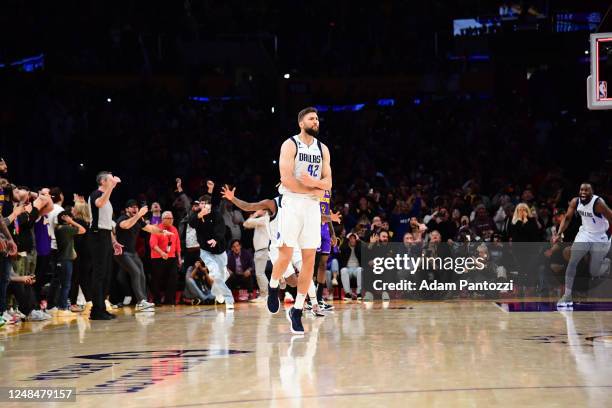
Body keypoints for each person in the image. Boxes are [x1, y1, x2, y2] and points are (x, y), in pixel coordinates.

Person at [220, 185, 335, 316]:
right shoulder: (272, 203)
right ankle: (277, 284)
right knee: (293, 282)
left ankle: (314, 304)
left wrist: (330, 219)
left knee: (305, 272)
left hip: (294, 246)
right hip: (277, 248)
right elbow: (248, 206)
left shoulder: (299, 203)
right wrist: (232, 198)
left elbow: (314, 216)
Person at [272, 106, 332, 334]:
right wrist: (312, 187)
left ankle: (297, 309)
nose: (316, 121)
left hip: (312, 206)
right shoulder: (290, 145)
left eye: (317, 118)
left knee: (310, 259)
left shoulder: (323, 148)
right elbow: (286, 180)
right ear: (301, 122)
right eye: (311, 118)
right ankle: (273, 286)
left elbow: (328, 184)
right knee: (285, 253)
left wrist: (315, 185)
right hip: (292, 203)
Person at [554, 183, 612, 307]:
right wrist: (559, 233)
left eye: (587, 190)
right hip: (584, 234)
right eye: (581, 190)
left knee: (594, 271)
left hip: (600, 236)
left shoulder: (598, 204)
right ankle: (567, 295)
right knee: (573, 261)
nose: (583, 192)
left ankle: (606, 263)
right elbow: (568, 218)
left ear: (592, 192)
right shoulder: (575, 201)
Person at [115, 200, 170, 310]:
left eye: (136, 207)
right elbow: (126, 225)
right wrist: (139, 214)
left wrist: (162, 231)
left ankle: (143, 301)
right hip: (122, 252)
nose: (135, 209)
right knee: (135, 272)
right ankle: (140, 302)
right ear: (127, 209)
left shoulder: (138, 219)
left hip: (132, 252)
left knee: (141, 273)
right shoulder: (123, 218)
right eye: (132, 207)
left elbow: (149, 228)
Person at [87, 171, 123, 320]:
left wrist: (114, 241)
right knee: (99, 273)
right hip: (96, 236)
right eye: (109, 179)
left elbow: (107, 224)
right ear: (102, 182)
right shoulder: (96, 194)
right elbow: (99, 204)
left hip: (105, 236)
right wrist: (112, 187)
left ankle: (101, 307)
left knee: (106, 273)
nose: (112, 181)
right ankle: (96, 310)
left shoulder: (107, 197)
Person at [188, 195, 234, 309]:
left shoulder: (216, 214)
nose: (203, 205)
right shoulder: (196, 214)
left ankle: (217, 293)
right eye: (201, 203)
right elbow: (191, 223)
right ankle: (229, 300)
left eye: (205, 203)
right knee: (215, 273)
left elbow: (221, 228)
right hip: (206, 251)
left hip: (220, 250)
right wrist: (199, 215)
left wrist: (216, 239)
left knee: (222, 276)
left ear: (210, 205)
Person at [53, 211, 86, 316]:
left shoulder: (59, 228)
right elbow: (83, 230)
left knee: (63, 284)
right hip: (66, 260)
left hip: (62, 258)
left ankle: (61, 305)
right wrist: (72, 222)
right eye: (70, 217)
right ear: (65, 218)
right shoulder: (66, 229)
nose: (72, 218)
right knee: (66, 285)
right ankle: (62, 307)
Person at [150, 211, 181, 305]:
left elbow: (177, 245)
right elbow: (153, 244)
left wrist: (179, 257)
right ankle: (157, 300)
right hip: (158, 258)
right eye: (169, 218)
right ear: (163, 219)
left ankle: (169, 299)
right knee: (157, 279)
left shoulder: (174, 229)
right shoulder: (156, 229)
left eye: (172, 218)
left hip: (172, 257)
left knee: (173, 278)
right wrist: (162, 252)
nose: (171, 220)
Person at [242, 209, 270, 302]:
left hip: (262, 250)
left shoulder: (265, 219)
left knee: (260, 273)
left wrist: (255, 214)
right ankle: (265, 295)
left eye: (261, 208)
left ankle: (266, 295)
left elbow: (246, 223)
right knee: (259, 273)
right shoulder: (262, 220)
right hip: (260, 250)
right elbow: (246, 224)